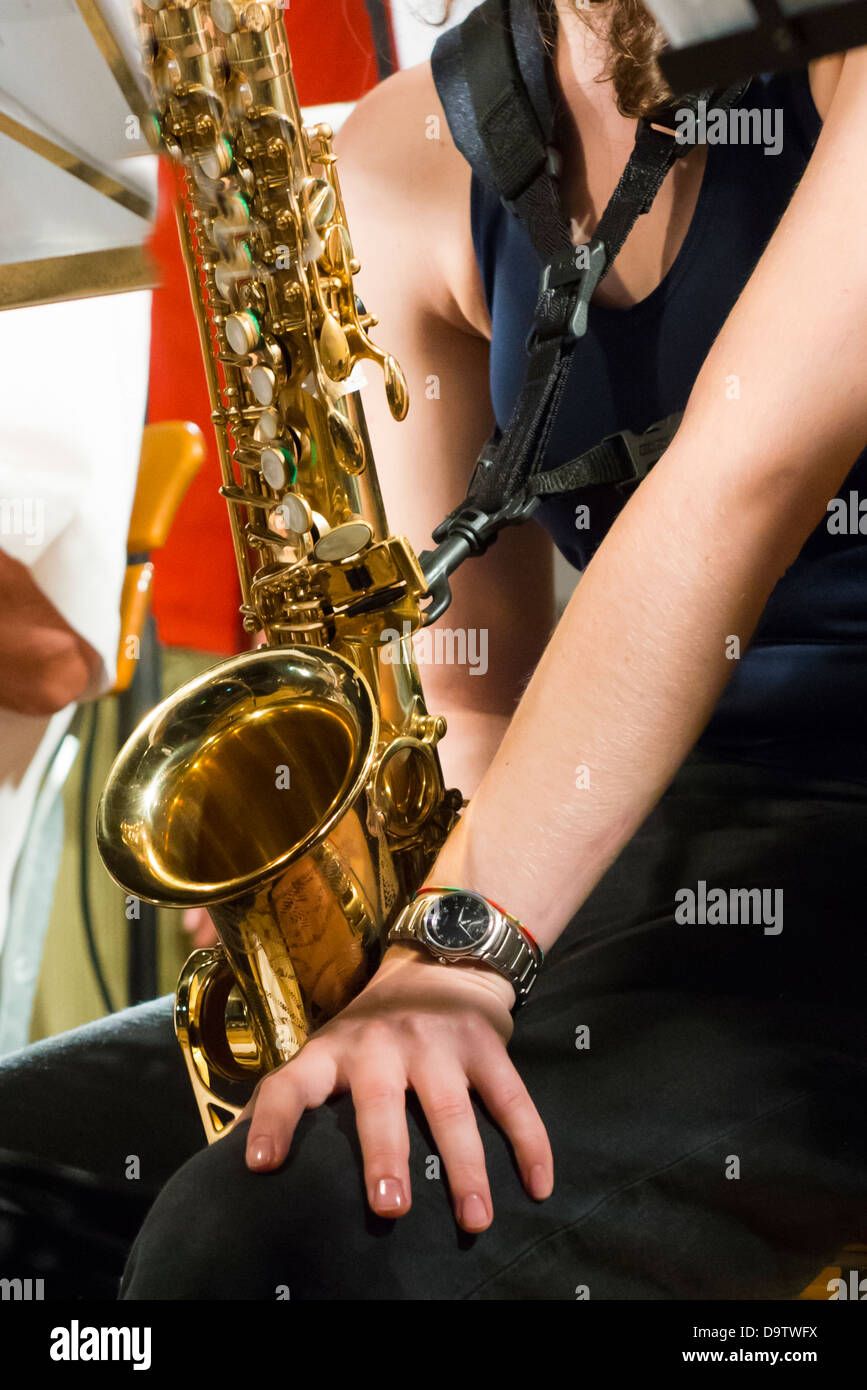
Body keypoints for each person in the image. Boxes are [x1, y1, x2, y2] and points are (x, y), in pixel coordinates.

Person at [3, 0, 866, 1301]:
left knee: (259, 1249)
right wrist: (354, 937)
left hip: (834, 893)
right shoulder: (414, 156)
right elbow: (474, 684)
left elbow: (736, 482)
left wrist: (457, 946)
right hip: (641, 848)